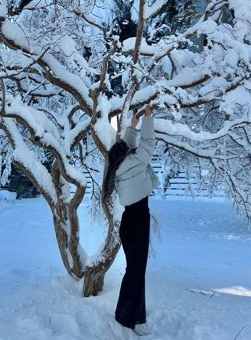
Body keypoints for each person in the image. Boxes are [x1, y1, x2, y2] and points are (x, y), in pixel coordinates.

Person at [103, 104, 159, 337]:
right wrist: (148, 119)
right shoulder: (135, 161)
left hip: (132, 221)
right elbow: (147, 145)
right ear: (124, 153)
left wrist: (132, 125)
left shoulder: (118, 167)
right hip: (138, 221)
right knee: (136, 271)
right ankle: (125, 317)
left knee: (136, 270)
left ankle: (134, 316)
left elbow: (130, 145)